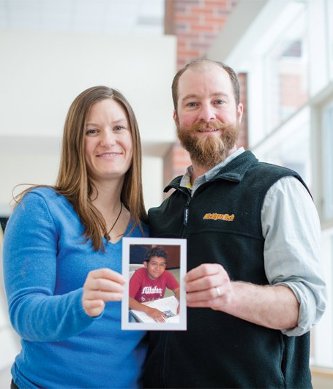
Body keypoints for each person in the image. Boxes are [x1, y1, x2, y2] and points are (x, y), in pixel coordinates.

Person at [143, 59, 327, 388]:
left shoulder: (276, 189)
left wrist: (229, 295)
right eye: (192, 104)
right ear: (177, 119)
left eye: (218, 101)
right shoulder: (163, 212)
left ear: (239, 110)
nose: (206, 114)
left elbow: (307, 303)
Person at [3, 86, 148, 388]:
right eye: (92, 131)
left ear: (132, 138)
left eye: (118, 128)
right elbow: (24, 312)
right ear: (75, 143)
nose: (108, 140)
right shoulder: (41, 208)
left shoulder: (147, 231)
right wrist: (80, 303)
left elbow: (152, 324)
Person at [129, 246, 180, 322]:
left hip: (156, 307)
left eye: (162, 264)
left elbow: (178, 290)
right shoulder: (139, 274)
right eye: (154, 264)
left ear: (165, 266)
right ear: (146, 264)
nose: (158, 268)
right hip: (139, 309)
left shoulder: (167, 275)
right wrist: (149, 310)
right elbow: (128, 300)